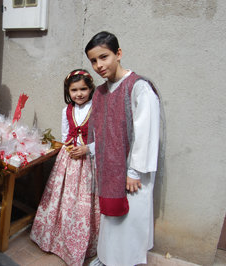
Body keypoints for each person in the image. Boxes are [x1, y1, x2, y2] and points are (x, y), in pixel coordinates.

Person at [84, 31, 161, 266]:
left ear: (118, 54)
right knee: (110, 220)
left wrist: (134, 172)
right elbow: (101, 132)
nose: (98, 65)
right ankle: (108, 258)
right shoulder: (101, 91)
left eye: (104, 57)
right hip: (111, 170)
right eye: (93, 61)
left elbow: (146, 132)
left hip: (131, 173)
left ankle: (124, 262)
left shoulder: (138, 87)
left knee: (129, 222)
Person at [30, 69, 100, 266]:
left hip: (88, 161)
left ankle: (80, 246)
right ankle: (57, 240)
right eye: (74, 90)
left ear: (91, 88)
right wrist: (68, 147)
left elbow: (102, 137)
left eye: (83, 89)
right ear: (68, 91)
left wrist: (87, 149)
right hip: (68, 161)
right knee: (62, 201)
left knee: (83, 203)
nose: (79, 94)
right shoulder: (66, 110)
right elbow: (64, 135)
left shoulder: (98, 108)